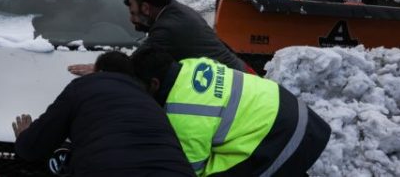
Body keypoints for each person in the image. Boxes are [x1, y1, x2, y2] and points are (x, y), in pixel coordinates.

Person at [130, 48, 331, 177]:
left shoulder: (183, 112)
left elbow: (188, 170)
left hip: (282, 139)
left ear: (154, 84)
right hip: (300, 117)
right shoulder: (193, 64)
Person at [13, 51, 196, 177]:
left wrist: (24, 137)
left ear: (98, 71)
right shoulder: (151, 102)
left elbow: (32, 148)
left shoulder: (83, 87)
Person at [69, 0, 249, 75]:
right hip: (238, 74)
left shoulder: (168, 28)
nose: (131, 17)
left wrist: (100, 69)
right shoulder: (175, 11)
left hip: (238, 87)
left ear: (146, 8)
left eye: (131, 7)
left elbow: (133, 65)